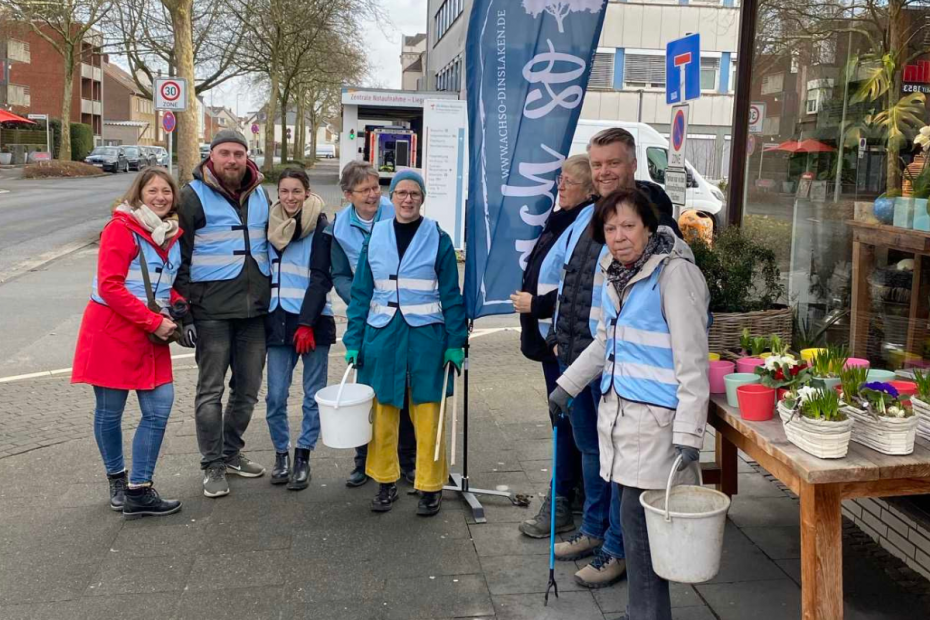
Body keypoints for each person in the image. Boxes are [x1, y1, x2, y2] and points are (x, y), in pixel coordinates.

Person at [549, 188, 710, 620]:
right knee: (637, 531)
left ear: (649, 226)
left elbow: (692, 359)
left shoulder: (674, 275)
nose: (619, 236)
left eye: (628, 226)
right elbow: (605, 341)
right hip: (621, 422)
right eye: (610, 227)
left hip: (658, 428)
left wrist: (689, 435)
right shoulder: (615, 271)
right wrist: (565, 387)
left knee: (641, 533)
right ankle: (643, 612)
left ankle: (646, 614)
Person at [536, 126, 684, 588]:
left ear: (633, 165)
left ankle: (617, 549)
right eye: (597, 164)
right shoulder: (590, 214)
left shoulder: (650, 217)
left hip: (624, 369)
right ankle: (595, 530)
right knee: (591, 452)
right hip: (582, 354)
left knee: (619, 460)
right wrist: (560, 335)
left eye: (612, 163)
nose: (603, 172)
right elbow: (575, 280)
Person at [342, 169, 467, 517]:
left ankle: (430, 486)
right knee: (382, 414)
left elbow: (451, 294)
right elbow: (361, 292)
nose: (407, 198)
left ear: (422, 198)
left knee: (428, 415)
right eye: (401, 192)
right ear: (391, 197)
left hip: (427, 337)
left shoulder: (437, 237)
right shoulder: (376, 236)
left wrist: (456, 342)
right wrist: (353, 340)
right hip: (382, 336)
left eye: (414, 193)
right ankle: (384, 482)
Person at [72, 168, 187, 519]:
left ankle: (139, 489)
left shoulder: (170, 233)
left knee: (160, 407)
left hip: (152, 334)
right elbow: (110, 286)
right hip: (113, 332)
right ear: (139, 193)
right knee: (110, 412)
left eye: (166, 191)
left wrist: (179, 304)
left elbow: (163, 282)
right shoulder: (121, 229)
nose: (161, 197)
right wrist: (155, 321)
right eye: (153, 191)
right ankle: (117, 480)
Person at [175, 129, 271, 498]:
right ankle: (211, 464)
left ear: (247, 157)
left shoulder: (261, 193)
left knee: (247, 391)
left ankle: (231, 453)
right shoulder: (192, 195)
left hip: (254, 312)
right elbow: (178, 258)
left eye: (238, 153)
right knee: (210, 391)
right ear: (210, 156)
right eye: (225, 153)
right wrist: (182, 313)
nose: (232, 160)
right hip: (210, 311)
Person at [509, 154, 592, 539]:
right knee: (565, 422)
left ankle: (561, 503)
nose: (560, 186)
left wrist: (537, 305)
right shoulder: (566, 218)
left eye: (569, 182)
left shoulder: (586, 221)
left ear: (589, 188)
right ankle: (570, 496)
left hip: (564, 344)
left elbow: (577, 286)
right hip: (551, 339)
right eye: (560, 179)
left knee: (567, 423)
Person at [326, 161, 417, 488]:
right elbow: (339, 275)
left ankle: (407, 461)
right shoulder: (338, 228)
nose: (373, 194)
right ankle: (363, 460)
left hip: (403, 317)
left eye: (376, 187)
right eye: (365, 190)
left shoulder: (398, 212)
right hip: (367, 318)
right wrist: (362, 298)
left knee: (403, 390)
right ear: (348, 195)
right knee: (368, 392)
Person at [264, 168, 335, 491]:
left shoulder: (320, 228)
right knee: (276, 396)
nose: (290, 197)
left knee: (312, 396)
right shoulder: (269, 225)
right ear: (277, 193)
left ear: (307, 193)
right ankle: (281, 453)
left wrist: (306, 323)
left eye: (296, 191)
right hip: (278, 322)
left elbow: (321, 278)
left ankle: (303, 455)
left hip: (312, 323)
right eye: (284, 191)